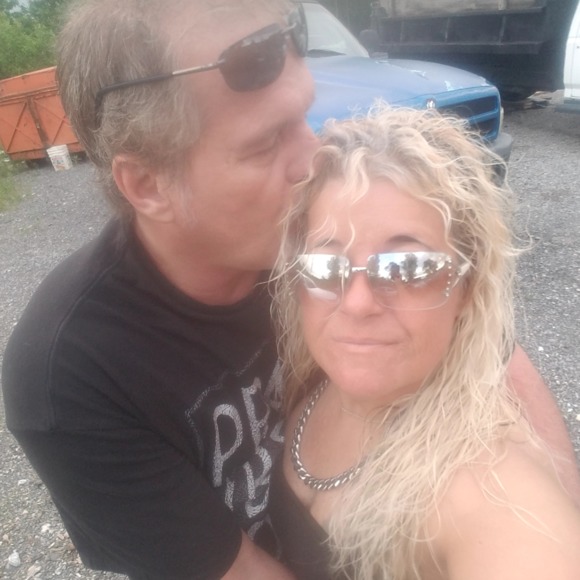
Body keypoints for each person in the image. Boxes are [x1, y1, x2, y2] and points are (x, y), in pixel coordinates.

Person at [0, 0, 577, 578]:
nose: (314, 157)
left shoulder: (305, 226)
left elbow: (475, 327)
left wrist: (557, 502)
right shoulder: (73, 373)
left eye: (304, 115)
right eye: (264, 145)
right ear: (148, 184)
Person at [269, 105, 580, 579]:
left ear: (467, 286)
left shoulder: (491, 490)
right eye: (325, 266)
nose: (357, 303)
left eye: (407, 267)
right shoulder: (304, 374)